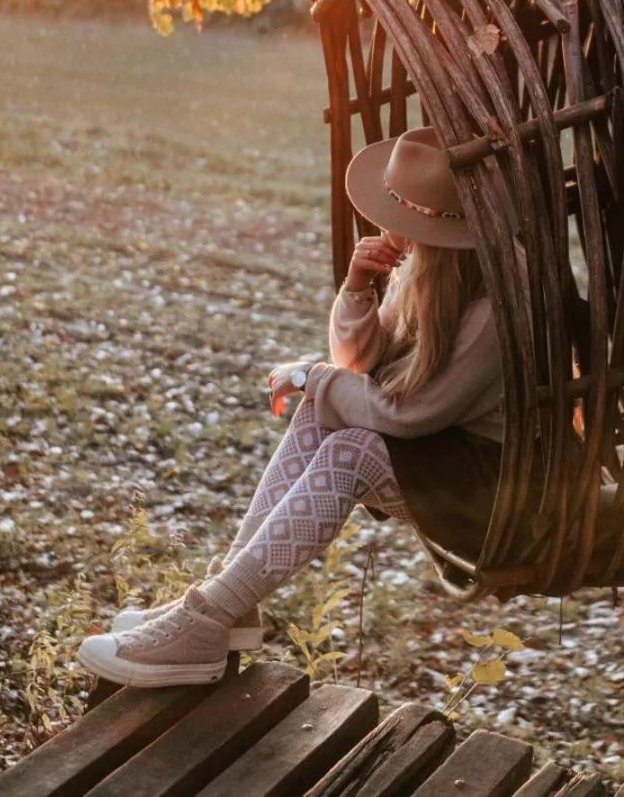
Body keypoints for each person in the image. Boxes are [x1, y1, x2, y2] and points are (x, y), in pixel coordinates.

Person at [76, 125, 522, 687]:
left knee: (350, 446)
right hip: (441, 452)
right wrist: (359, 287)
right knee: (321, 410)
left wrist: (314, 375)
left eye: (400, 216)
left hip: (495, 485)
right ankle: (225, 607)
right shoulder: (429, 270)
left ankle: (209, 615)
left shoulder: (495, 310)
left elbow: (408, 415)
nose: (387, 227)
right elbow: (361, 364)